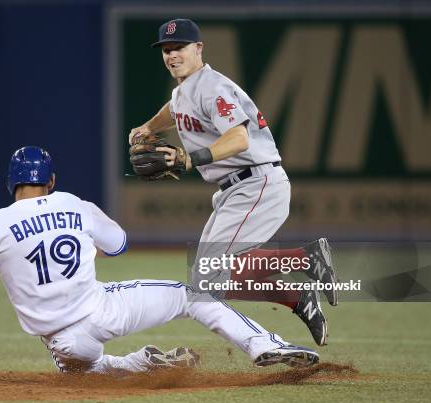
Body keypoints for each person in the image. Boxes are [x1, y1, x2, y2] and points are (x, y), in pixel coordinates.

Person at [0, 146, 319, 374]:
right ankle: (262, 345)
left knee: (88, 370)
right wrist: (87, 243)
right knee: (191, 295)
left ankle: (141, 365)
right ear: (52, 180)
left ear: (10, 185)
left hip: (62, 344)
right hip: (102, 311)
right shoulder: (74, 204)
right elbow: (119, 243)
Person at [128, 18, 338, 347]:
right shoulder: (186, 89)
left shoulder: (212, 86)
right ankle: (299, 299)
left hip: (257, 183)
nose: (172, 55)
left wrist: (188, 159)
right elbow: (175, 108)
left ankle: (306, 258)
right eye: (166, 50)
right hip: (236, 188)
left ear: (198, 48)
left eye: (179, 47)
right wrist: (149, 127)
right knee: (205, 282)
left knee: (212, 272)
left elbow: (239, 137)